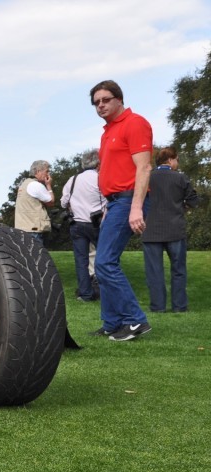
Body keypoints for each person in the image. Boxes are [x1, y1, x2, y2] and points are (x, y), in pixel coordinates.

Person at [90, 79, 152, 341]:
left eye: (105, 100)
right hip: (114, 202)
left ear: (118, 99)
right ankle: (112, 323)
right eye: (96, 103)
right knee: (105, 263)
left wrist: (135, 207)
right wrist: (108, 205)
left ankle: (135, 321)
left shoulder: (135, 123)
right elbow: (112, 171)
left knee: (104, 262)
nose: (100, 105)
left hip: (128, 201)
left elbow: (144, 168)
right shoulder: (108, 132)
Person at [142, 147, 199, 313]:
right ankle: (179, 307)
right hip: (175, 229)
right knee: (178, 270)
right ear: (170, 160)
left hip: (151, 230)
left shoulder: (147, 178)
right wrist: (181, 207)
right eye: (177, 160)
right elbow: (193, 200)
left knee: (154, 272)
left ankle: (158, 307)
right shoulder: (181, 178)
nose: (177, 163)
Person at [61, 153, 106, 301]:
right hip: (96, 223)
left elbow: (63, 202)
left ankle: (85, 293)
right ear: (97, 164)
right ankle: (104, 289)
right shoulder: (100, 178)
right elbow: (108, 198)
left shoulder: (72, 180)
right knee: (105, 256)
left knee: (81, 260)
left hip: (77, 223)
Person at [14, 160, 54, 243]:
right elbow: (51, 202)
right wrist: (48, 185)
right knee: (37, 255)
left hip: (22, 229)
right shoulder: (36, 185)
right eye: (47, 171)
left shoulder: (24, 184)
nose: (48, 174)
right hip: (33, 230)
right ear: (38, 171)